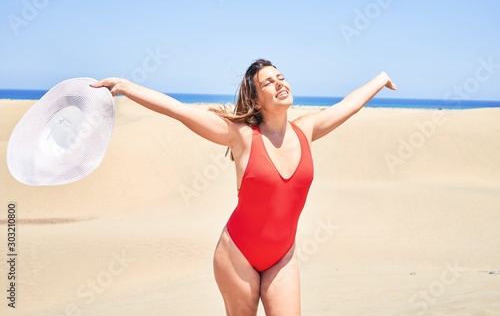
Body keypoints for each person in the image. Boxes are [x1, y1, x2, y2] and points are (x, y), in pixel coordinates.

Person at [92, 59, 396, 315]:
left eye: (281, 77)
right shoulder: (240, 136)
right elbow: (178, 110)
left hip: (283, 257)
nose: (279, 83)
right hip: (237, 255)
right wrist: (125, 87)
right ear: (255, 99)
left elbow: (349, 105)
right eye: (268, 83)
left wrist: (380, 79)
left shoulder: (307, 129)